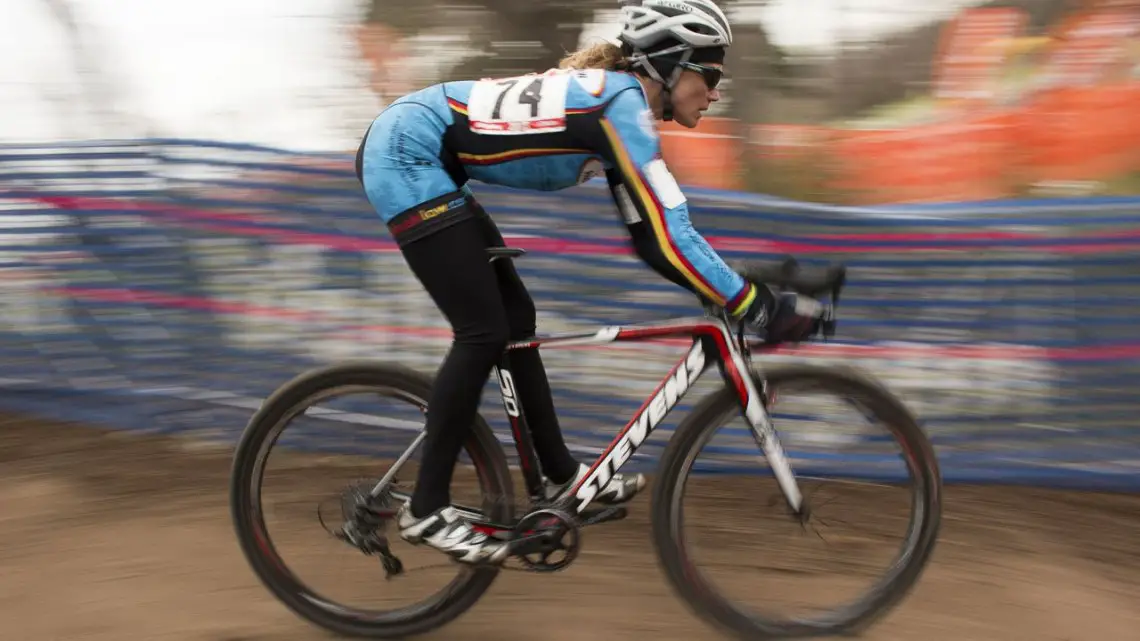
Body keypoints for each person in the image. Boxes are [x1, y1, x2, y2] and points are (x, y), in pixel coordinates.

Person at [354, 0, 824, 565]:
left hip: (429, 157)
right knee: (481, 330)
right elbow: (671, 238)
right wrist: (755, 305)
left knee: (515, 321)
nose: (716, 91)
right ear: (672, 66)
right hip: (406, 152)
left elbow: (656, 240)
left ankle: (558, 477)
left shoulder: (619, 110)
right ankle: (426, 508)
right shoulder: (619, 107)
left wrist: (737, 289)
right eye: (712, 75)